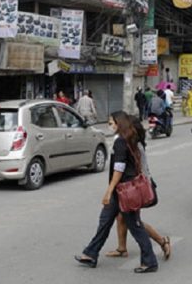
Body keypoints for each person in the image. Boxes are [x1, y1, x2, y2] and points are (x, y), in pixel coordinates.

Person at [74, 111, 159, 273]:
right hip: (121, 191)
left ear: (119, 123)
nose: (109, 126)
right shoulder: (130, 138)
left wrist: (109, 190)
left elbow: (119, 169)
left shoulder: (121, 141)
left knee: (135, 226)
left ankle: (150, 261)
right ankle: (91, 253)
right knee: (104, 221)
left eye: (111, 122)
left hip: (125, 191)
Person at [105, 114, 171, 261]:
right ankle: (122, 248)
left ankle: (162, 241)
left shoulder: (133, 144)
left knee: (134, 221)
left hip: (135, 187)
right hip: (133, 186)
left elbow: (137, 169)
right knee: (122, 217)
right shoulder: (131, 142)